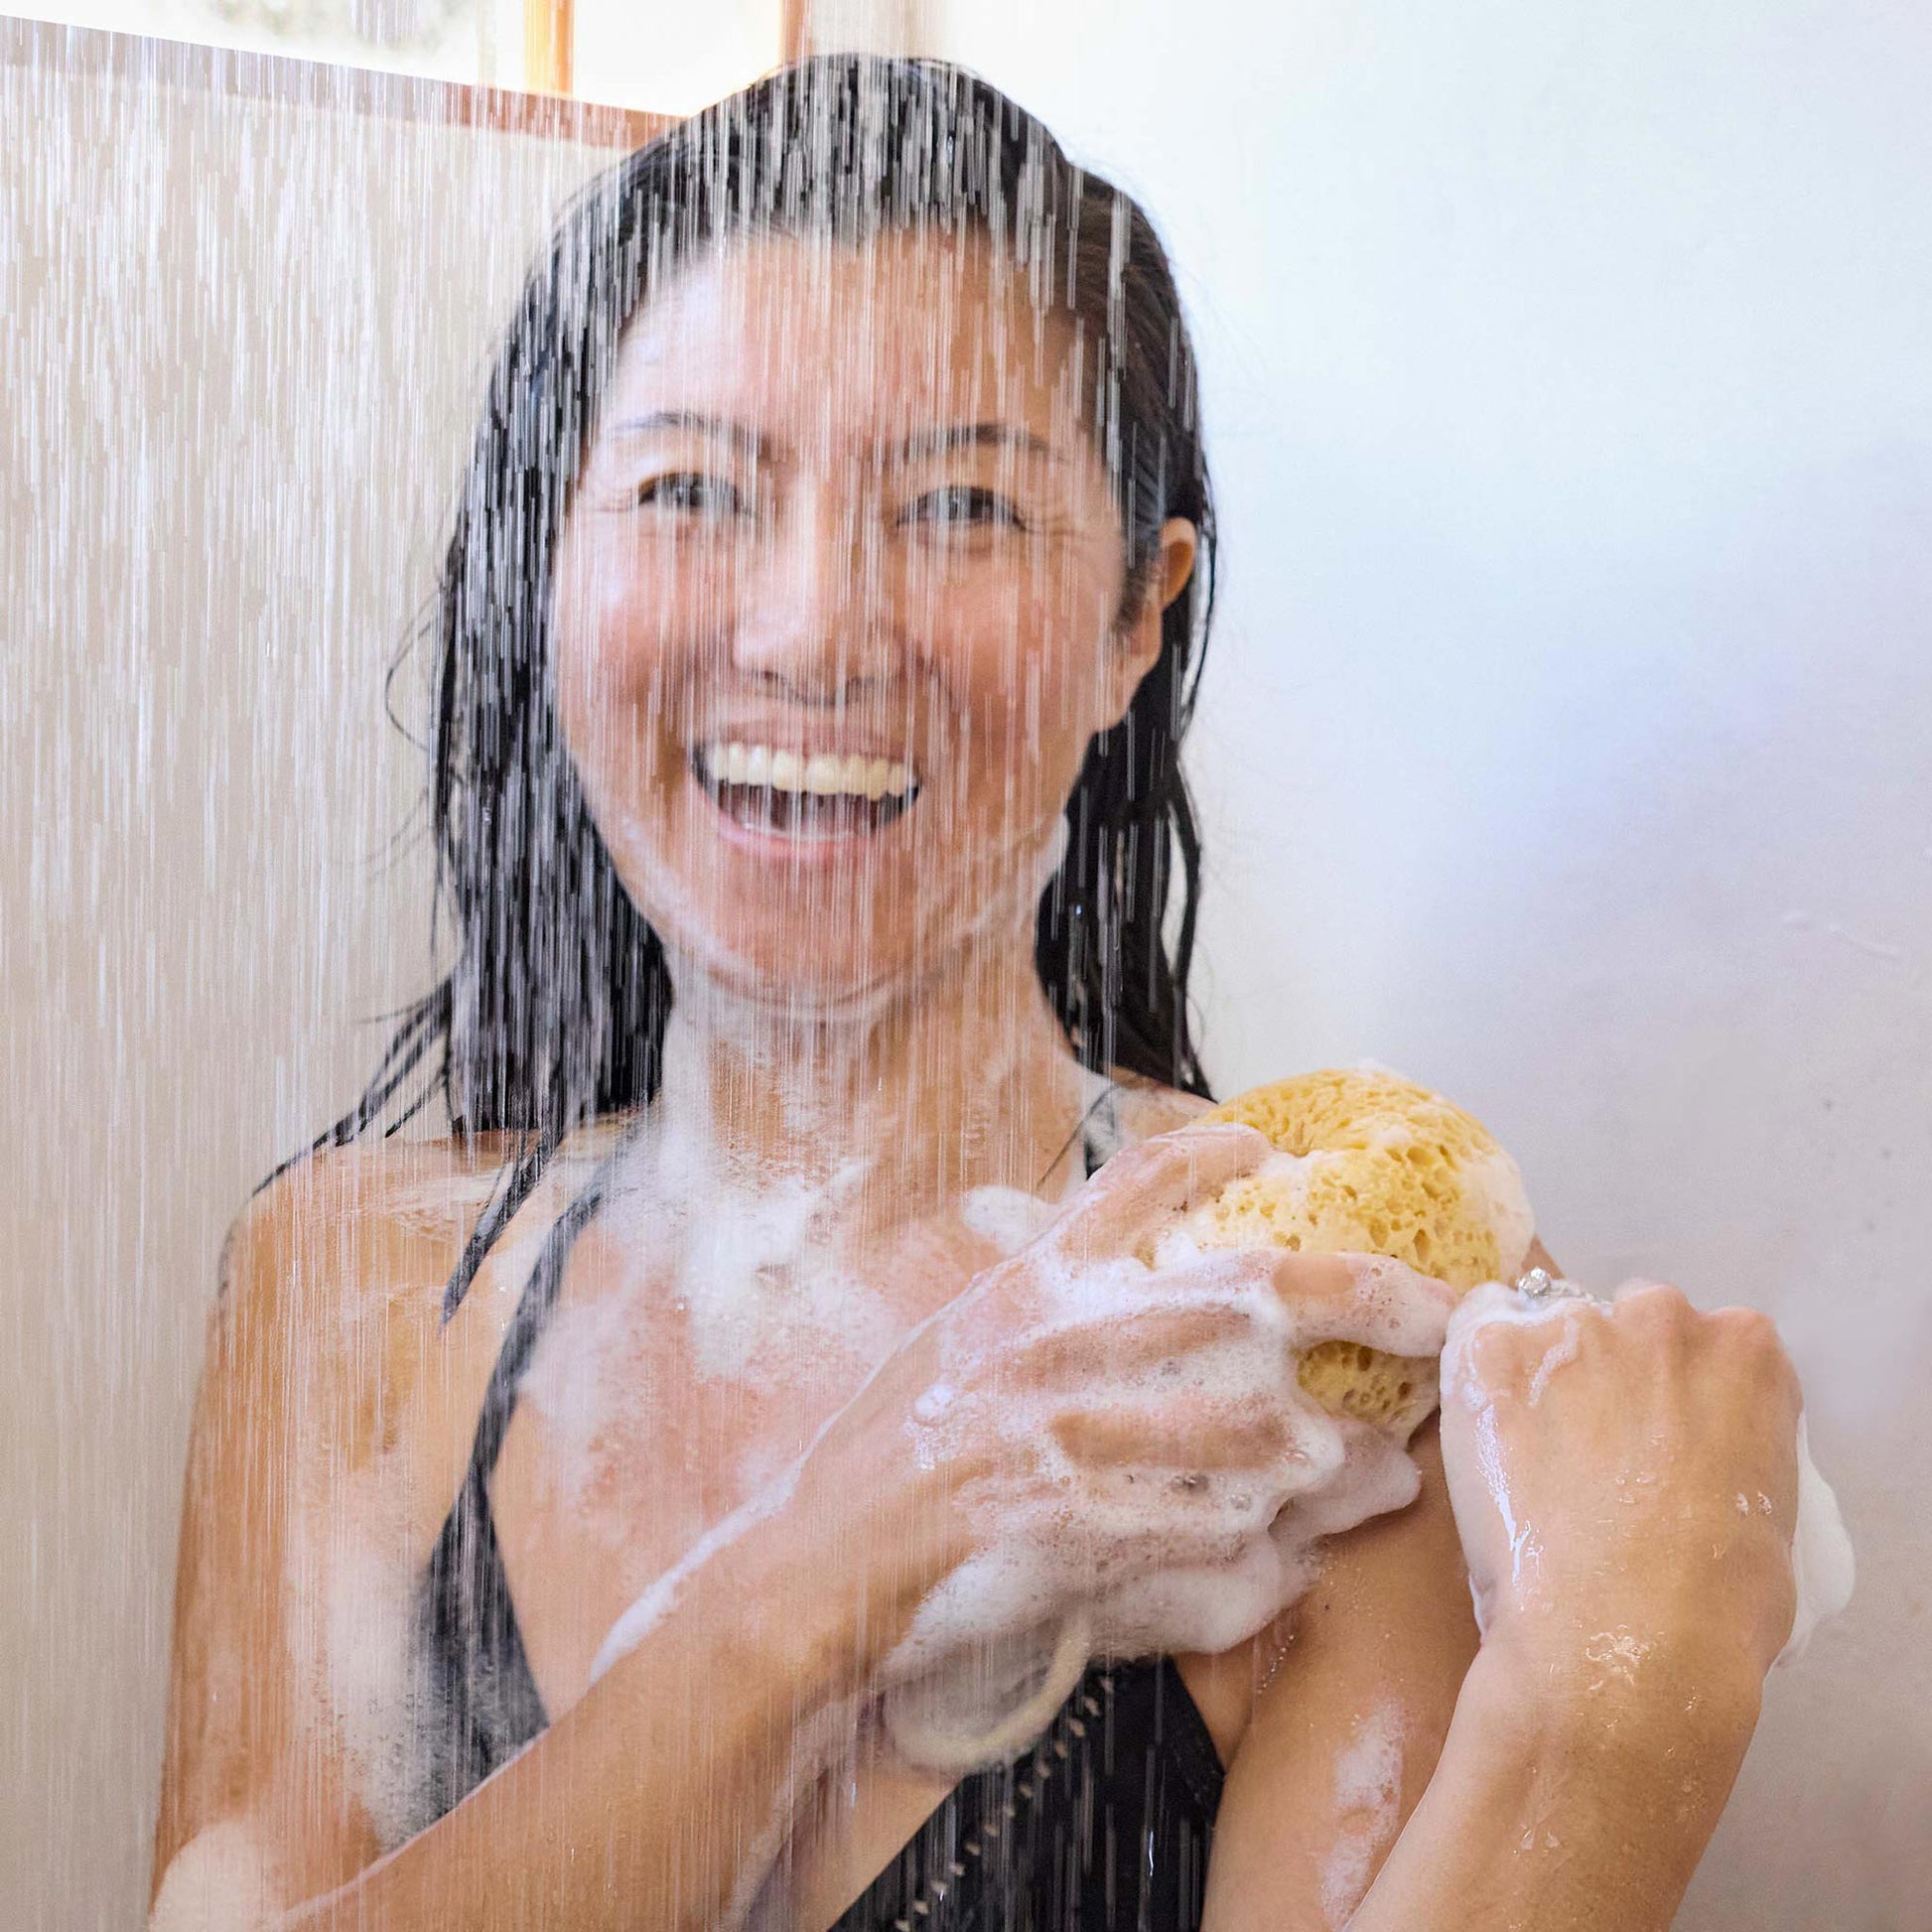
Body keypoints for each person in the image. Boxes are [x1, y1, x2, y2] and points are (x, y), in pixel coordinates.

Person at [151, 56, 1806, 1932]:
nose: (807, 630)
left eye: (957, 509)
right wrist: (841, 1562)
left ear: (1135, 620)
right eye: (695, 487)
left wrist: (1619, 1713)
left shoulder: (1306, 1342)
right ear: (555, 563)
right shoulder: (345, 1296)